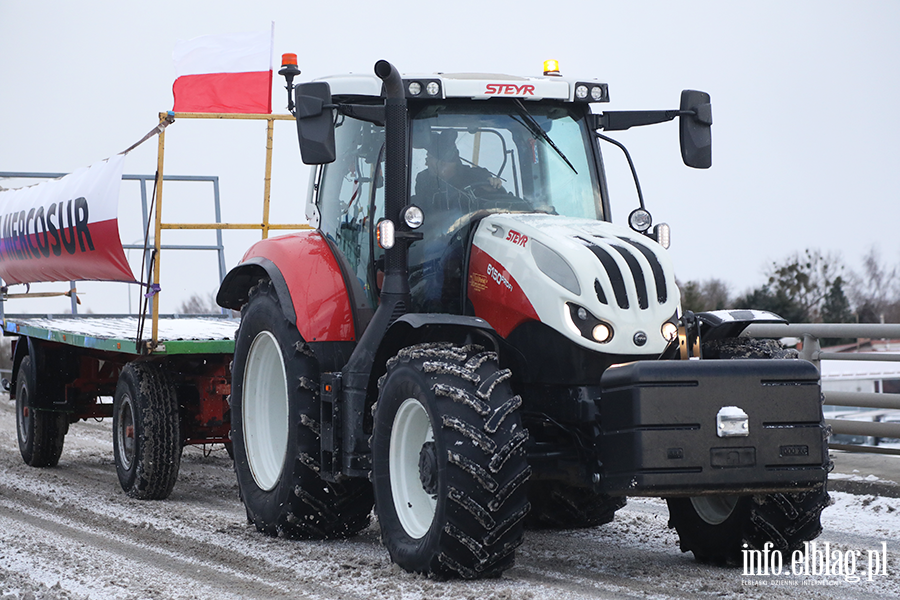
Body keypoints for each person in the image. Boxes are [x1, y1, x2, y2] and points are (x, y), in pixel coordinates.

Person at [414, 130, 502, 210]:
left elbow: (492, 196)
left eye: (429, 158)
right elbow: (420, 207)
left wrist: (494, 183)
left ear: (442, 163)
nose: (426, 164)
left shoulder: (477, 176)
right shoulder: (423, 179)